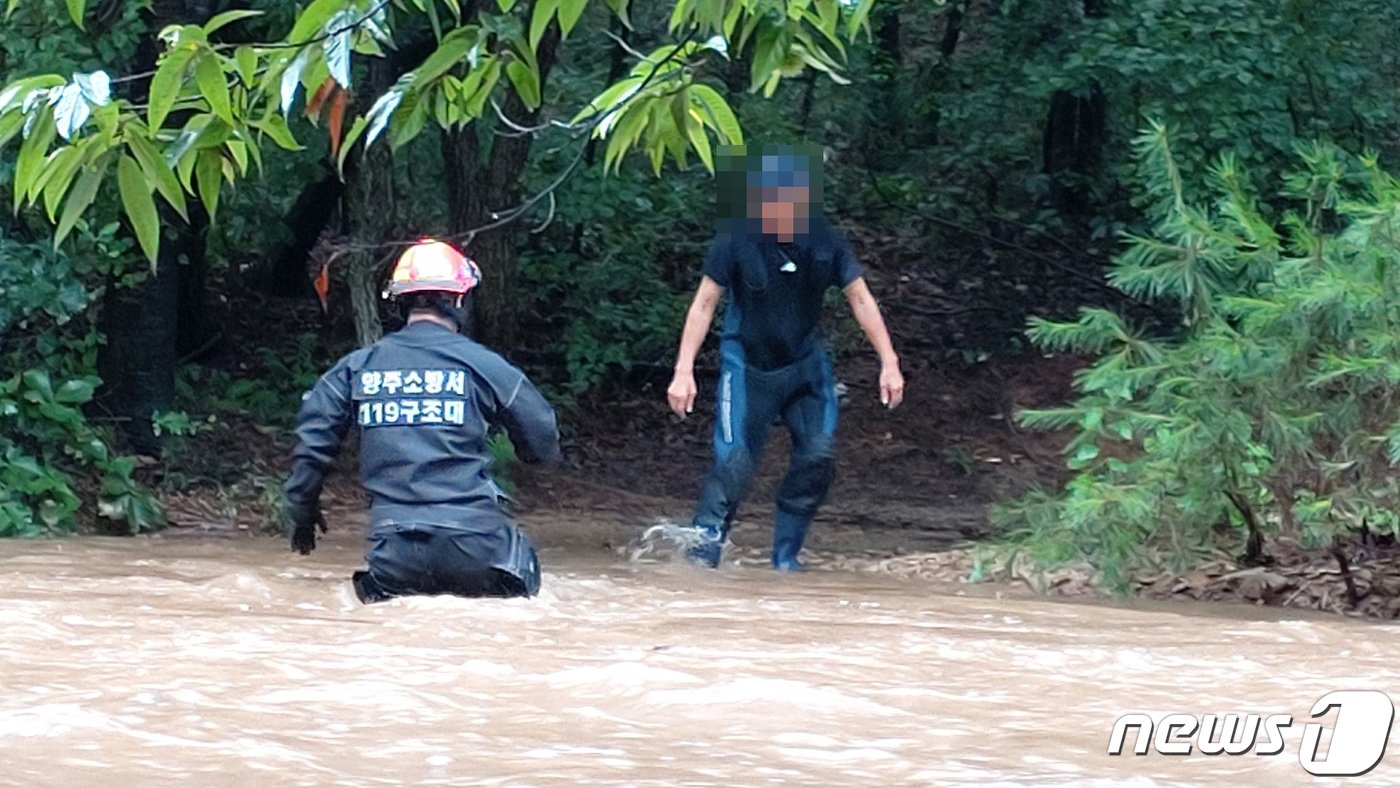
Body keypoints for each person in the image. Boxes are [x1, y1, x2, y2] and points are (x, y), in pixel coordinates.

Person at [283, 239, 562, 602]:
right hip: (476, 546)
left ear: (400, 302)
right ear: (460, 300)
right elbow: (542, 439)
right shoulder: (485, 365)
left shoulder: (356, 368)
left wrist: (302, 513)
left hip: (393, 552)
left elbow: (312, 447)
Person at [666, 149, 905, 571]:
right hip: (747, 366)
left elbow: (861, 298)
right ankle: (702, 555)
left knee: (818, 456)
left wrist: (889, 361)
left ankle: (786, 560)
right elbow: (704, 304)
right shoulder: (736, 238)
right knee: (735, 461)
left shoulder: (824, 241)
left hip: (803, 367)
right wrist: (683, 372)